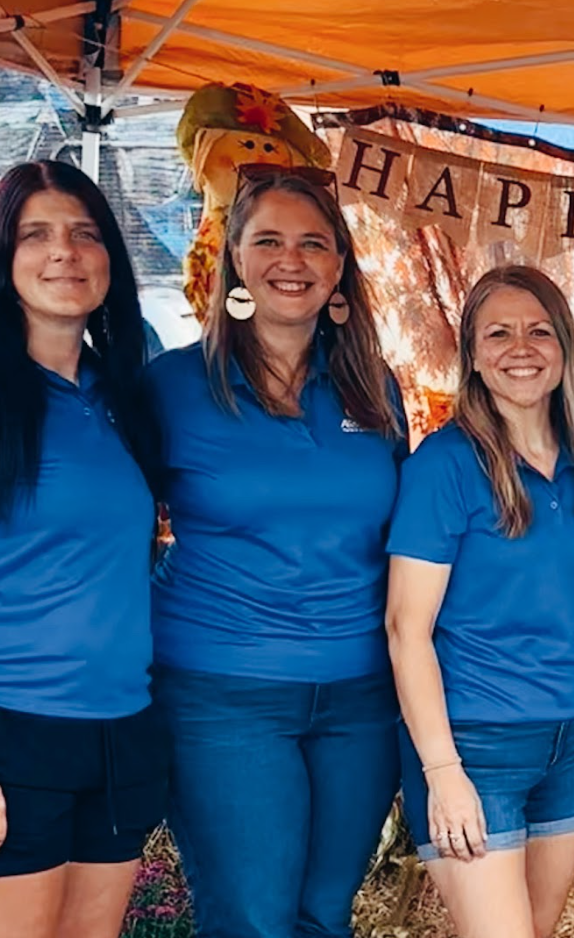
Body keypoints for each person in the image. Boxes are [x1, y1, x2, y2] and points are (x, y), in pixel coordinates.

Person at [0, 160, 165, 938]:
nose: (65, 253)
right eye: (36, 234)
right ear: (0, 256)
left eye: (85, 234)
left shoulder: (117, 394)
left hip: (119, 734)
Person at [146, 166, 407, 938]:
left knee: (324, 916)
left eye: (312, 244)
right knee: (252, 920)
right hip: (223, 692)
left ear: (337, 271)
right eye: (268, 241)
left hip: (361, 696)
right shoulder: (172, 386)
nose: (290, 260)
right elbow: (110, 523)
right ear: (234, 259)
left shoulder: (372, 388)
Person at [386, 265, 574, 938]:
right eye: (499, 333)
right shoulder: (445, 465)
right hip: (474, 744)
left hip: (571, 740)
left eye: (540, 331)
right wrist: (442, 772)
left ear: (566, 348)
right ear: (474, 357)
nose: (522, 348)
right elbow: (407, 630)